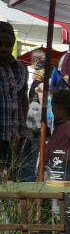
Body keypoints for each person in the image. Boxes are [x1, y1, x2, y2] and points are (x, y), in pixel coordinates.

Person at [0, 21, 28, 181]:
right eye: (0, 43)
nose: (4, 48)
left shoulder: (21, 69)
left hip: (16, 138)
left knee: (12, 182)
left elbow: (23, 99)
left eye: (8, 44)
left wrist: (23, 129)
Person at [43, 89, 70, 180]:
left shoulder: (69, 125)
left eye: (53, 107)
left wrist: (65, 157)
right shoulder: (62, 124)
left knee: (64, 193)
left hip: (65, 170)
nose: (52, 110)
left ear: (60, 108)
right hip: (57, 167)